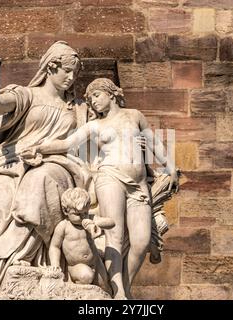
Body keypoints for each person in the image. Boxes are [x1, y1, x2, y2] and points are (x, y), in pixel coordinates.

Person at [0, 41, 92, 296]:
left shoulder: (77, 108)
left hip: (56, 165)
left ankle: (23, 260)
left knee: (38, 183)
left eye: (75, 73)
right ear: (50, 67)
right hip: (10, 163)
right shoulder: (28, 95)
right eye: (66, 70)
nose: (71, 77)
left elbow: (91, 142)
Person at [21, 78, 178, 299]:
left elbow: (153, 143)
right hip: (110, 178)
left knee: (141, 242)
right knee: (114, 237)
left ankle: (125, 283)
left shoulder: (135, 115)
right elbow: (67, 144)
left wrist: (171, 168)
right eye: (90, 99)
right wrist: (38, 147)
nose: (92, 102)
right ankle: (120, 293)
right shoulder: (95, 126)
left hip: (138, 185)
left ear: (111, 93)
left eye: (96, 96)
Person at [48, 187, 114, 292]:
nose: (83, 217)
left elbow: (111, 223)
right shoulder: (64, 226)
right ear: (66, 211)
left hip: (95, 262)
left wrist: (96, 223)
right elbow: (54, 246)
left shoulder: (90, 219)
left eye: (85, 213)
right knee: (86, 276)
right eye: (78, 214)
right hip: (76, 266)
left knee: (105, 287)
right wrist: (55, 264)